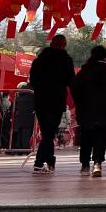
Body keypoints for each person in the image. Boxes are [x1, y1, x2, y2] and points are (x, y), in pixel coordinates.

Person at [70, 46, 106, 177]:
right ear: (105, 56)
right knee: (101, 136)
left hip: (85, 110)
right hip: (103, 109)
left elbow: (74, 89)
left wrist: (79, 103)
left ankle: (85, 164)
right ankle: (97, 163)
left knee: (86, 137)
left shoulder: (83, 72)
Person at [28, 34, 75, 174]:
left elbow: (32, 81)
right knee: (49, 133)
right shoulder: (66, 60)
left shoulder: (38, 61)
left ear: (51, 44)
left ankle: (50, 160)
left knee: (46, 132)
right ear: (64, 45)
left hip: (41, 100)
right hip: (57, 100)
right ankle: (39, 163)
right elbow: (71, 81)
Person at [11, 83, 36, 153]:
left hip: (19, 116)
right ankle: (26, 149)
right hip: (29, 116)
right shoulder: (32, 93)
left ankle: (19, 149)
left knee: (19, 133)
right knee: (27, 133)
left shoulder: (19, 95)